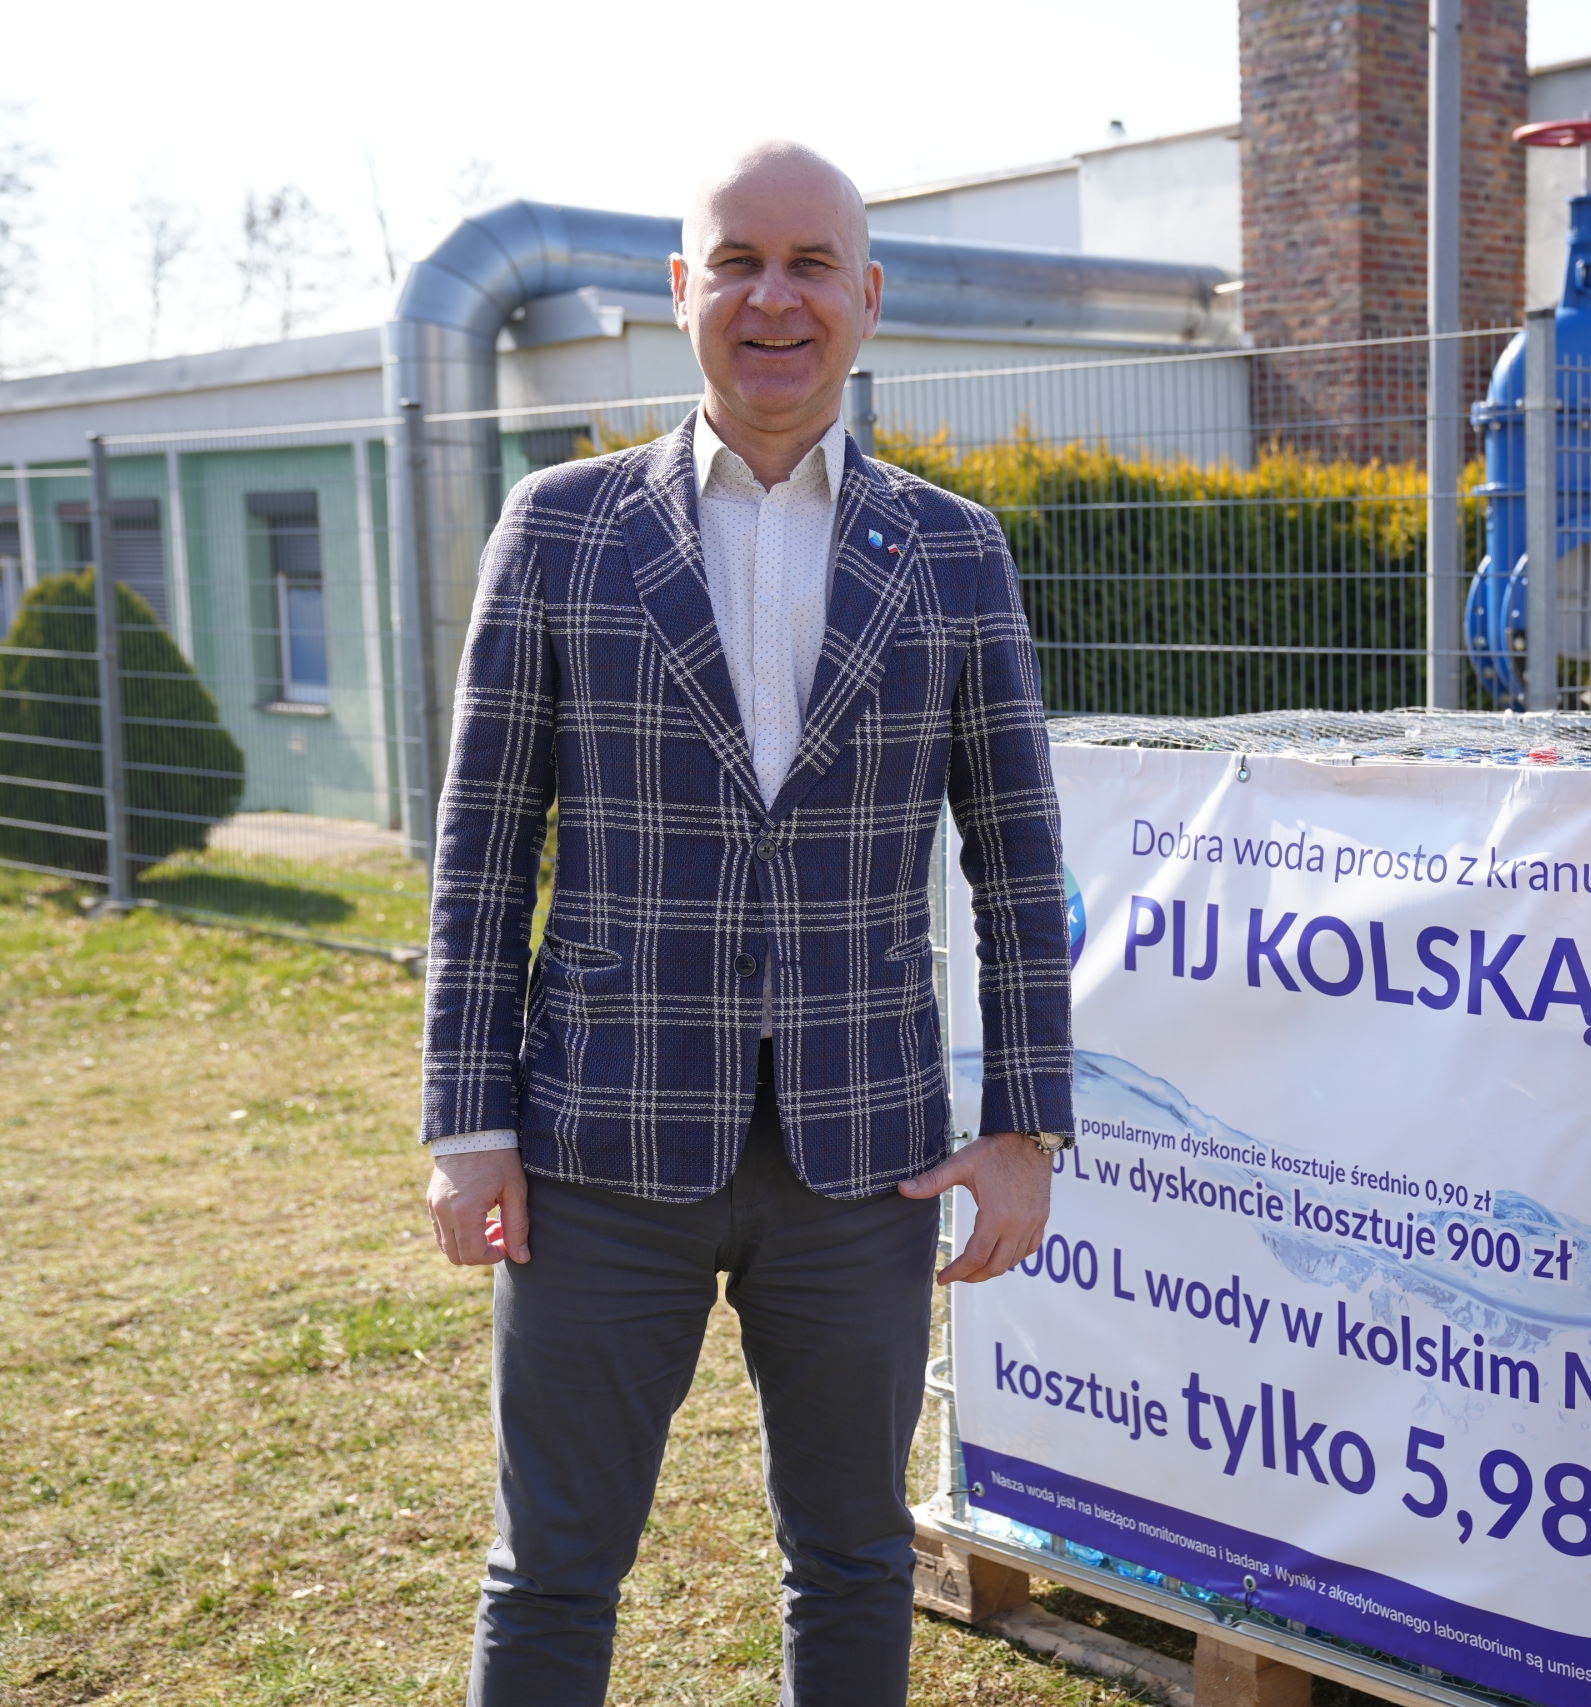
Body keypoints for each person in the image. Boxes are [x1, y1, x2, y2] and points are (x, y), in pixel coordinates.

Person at [418, 139, 1074, 1706]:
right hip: (596, 1150)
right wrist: (468, 1125)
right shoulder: (559, 528)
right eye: (737, 264)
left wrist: (1024, 1127)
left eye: (809, 264)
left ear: (868, 295)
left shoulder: (955, 550)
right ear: (680, 291)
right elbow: (484, 851)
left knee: (852, 1553)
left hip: (863, 1156)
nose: (774, 299)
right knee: (553, 1563)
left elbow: (1017, 860)